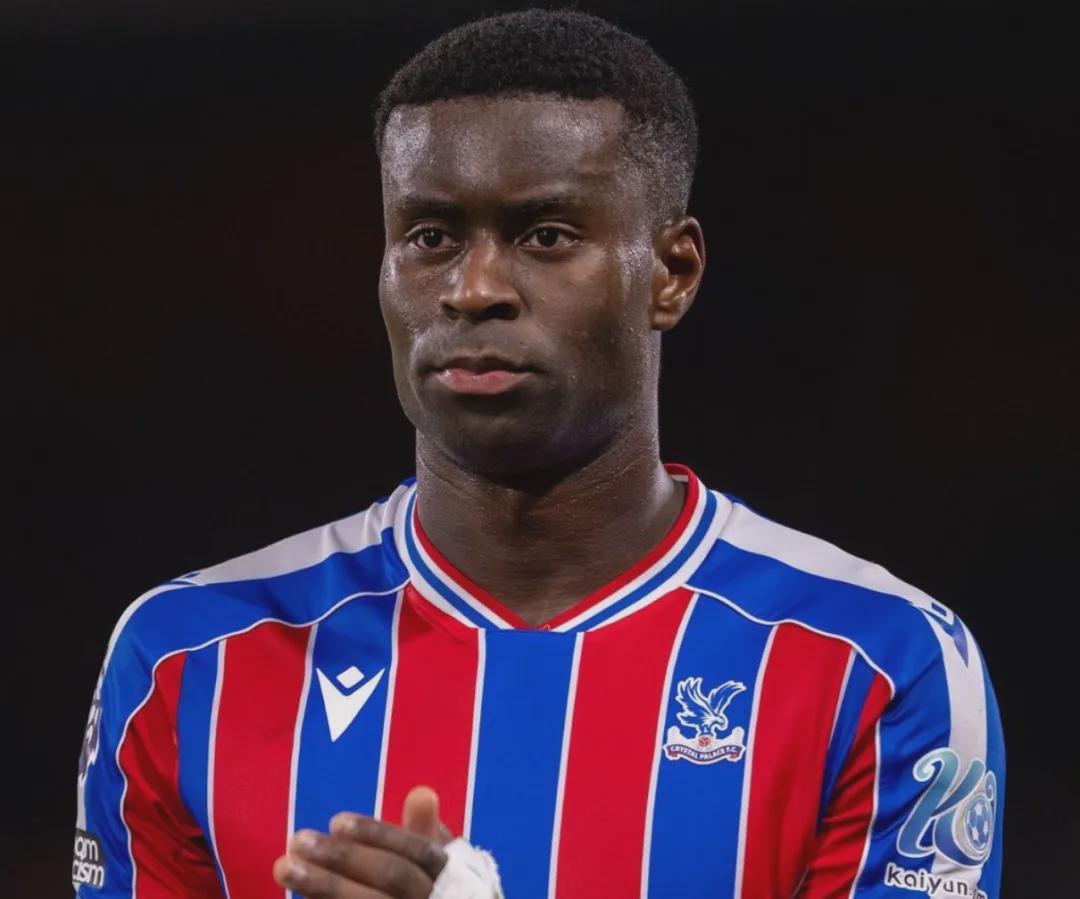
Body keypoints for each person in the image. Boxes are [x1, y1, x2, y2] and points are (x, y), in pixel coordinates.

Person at [73, 9, 1005, 899]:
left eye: (546, 235)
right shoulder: (188, 659)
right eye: (430, 237)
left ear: (672, 272)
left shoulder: (876, 661)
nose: (474, 287)